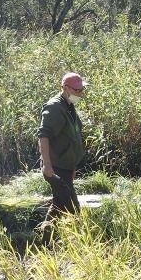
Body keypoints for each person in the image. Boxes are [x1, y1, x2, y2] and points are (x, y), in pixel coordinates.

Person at [37, 72, 88, 241]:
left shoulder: (68, 106)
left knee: (58, 205)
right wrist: (47, 165)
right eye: (77, 90)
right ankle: (81, 241)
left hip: (66, 167)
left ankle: (44, 241)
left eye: (82, 90)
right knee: (73, 208)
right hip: (56, 168)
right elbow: (43, 136)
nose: (81, 93)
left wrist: (73, 166)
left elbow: (72, 138)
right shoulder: (54, 107)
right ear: (66, 88)